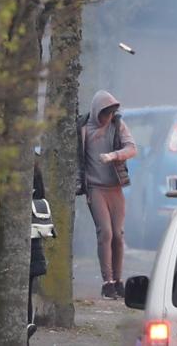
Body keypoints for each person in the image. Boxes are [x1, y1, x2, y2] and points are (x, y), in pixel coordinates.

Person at [77, 90, 137, 300]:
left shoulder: (117, 125)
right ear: (96, 112)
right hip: (95, 187)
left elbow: (132, 148)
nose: (107, 119)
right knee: (105, 233)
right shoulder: (83, 127)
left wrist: (114, 155)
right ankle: (107, 281)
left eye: (111, 114)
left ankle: (119, 280)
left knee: (118, 235)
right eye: (104, 114)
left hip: (115, 187)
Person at [29, 160, 47, 342]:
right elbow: (42, 195)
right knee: (26, 290)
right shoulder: (33, 165)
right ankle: (26, 323)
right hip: (33, 242)